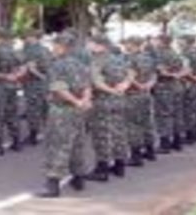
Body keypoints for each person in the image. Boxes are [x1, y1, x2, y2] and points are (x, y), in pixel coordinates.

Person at [37, 31, 92, 198]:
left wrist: (75, 101)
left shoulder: (57, 65)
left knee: (57, 145)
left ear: (62, 47)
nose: (53, 48)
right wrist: (83, 101)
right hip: (79, 110)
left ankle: (52, 184)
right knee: (77, 143)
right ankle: (79, 178)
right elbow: (87, 86)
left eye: (55, 45)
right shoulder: (80, 65)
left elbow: (59, 88)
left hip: (61, 110)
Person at [84, 35, 132, 182]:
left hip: (103, 101)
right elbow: (130, 74)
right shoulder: (118, 58)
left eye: (91, 43)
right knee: (119, 132)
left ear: (100, 46)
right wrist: (124, 86)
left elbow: (97, 82)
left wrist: (112, 90)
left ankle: (102, 169)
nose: (88, 45)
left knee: (102, 135)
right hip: (119, 101)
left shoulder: (97, 61)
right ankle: (119, 165)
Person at [123, 37, 158, 166]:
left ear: (132, 44)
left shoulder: (130, 58)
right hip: (145, 94)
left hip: (133, 95)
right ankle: (150, 151)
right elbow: (154, 75)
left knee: (133, 125)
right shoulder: (148, 58)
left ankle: (136, 156)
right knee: (146, 122)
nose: (125, 45)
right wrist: (148, 85)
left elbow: (129, 77)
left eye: (127, 43)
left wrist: (138, 85)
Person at [153, 35, 187, 154]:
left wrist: (171, 75)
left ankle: (165, 143)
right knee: (177, 114)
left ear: (162, 42)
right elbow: (185, 69)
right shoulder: (175, 53)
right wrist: (177, 75)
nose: (155, 41)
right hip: (177, 87)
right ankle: (177, 142)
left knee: (164, 115)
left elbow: (161, 71)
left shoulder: (160, 54)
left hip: (164, 87)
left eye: (157, 39)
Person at [20, 29, 52, 146]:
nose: (25, 38)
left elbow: (28, 68)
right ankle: (51, 134)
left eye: (27, 36)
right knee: (45, 110)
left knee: (33, 110)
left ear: (32, 36)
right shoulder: (46, 49)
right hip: (45, 83)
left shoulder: (30, 51)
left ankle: (33, 135)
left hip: (34, 84)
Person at [181, 35, 196, 144]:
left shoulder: (186, 53)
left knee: (188, 111)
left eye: (181, 40)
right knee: (195, 110)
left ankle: (190, 135)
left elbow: (186, 70)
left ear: (186, 41)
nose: (179, 42)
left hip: (189, 83)